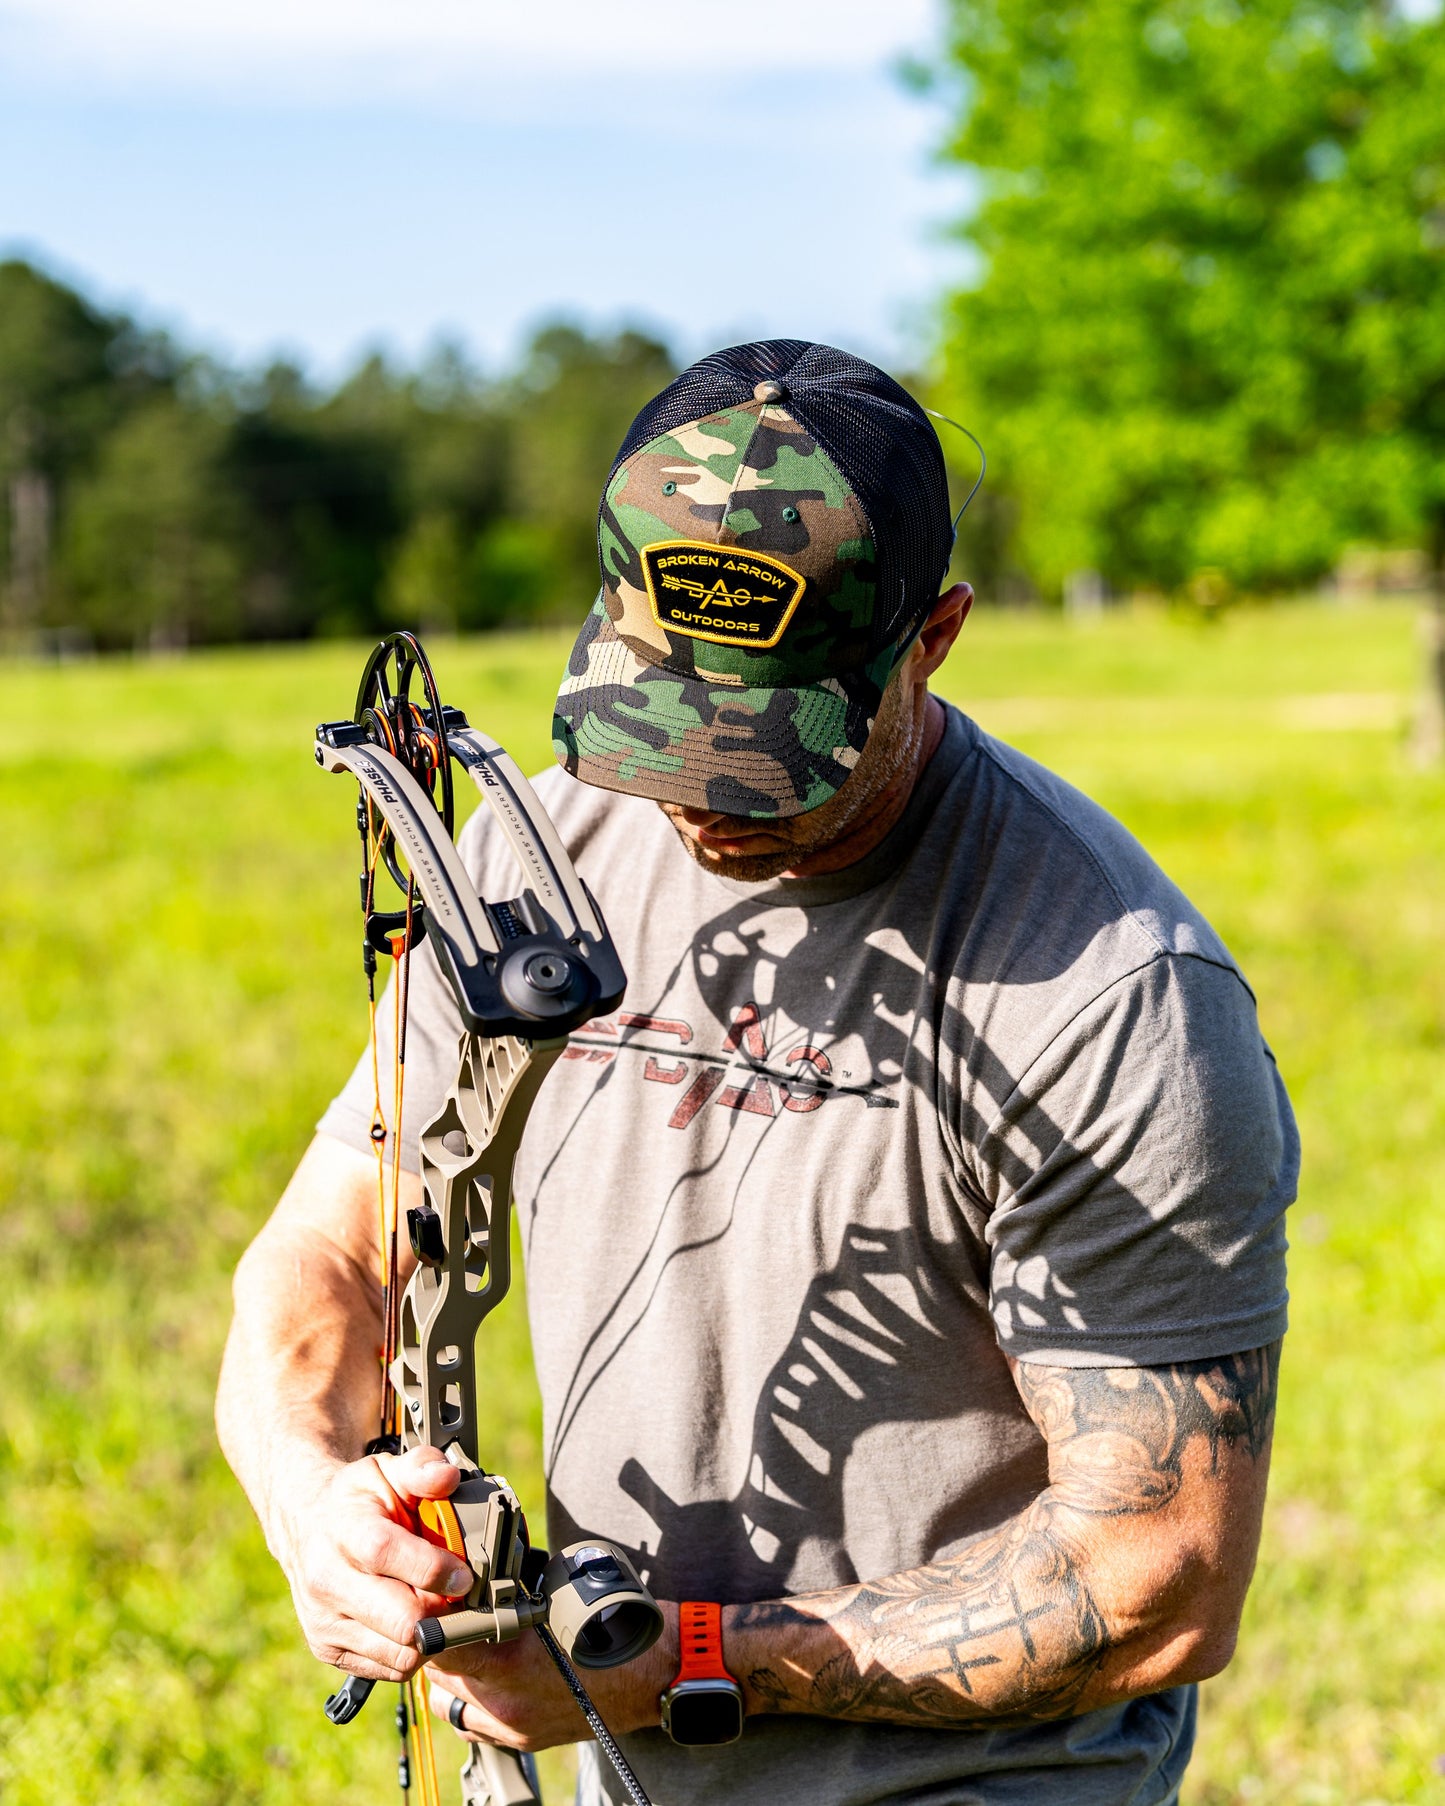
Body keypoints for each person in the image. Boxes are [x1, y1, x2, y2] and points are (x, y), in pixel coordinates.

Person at [217, 339, 1297, 1806]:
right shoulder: (535, 862)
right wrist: (314, 1506)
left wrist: (684, 1659)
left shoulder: (1113, 994)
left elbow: (1154, 1573)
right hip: (612, 1765)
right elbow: (336, 1243)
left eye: (769, 743)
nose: (701, 807)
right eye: (656, 722)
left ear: (932, 638)